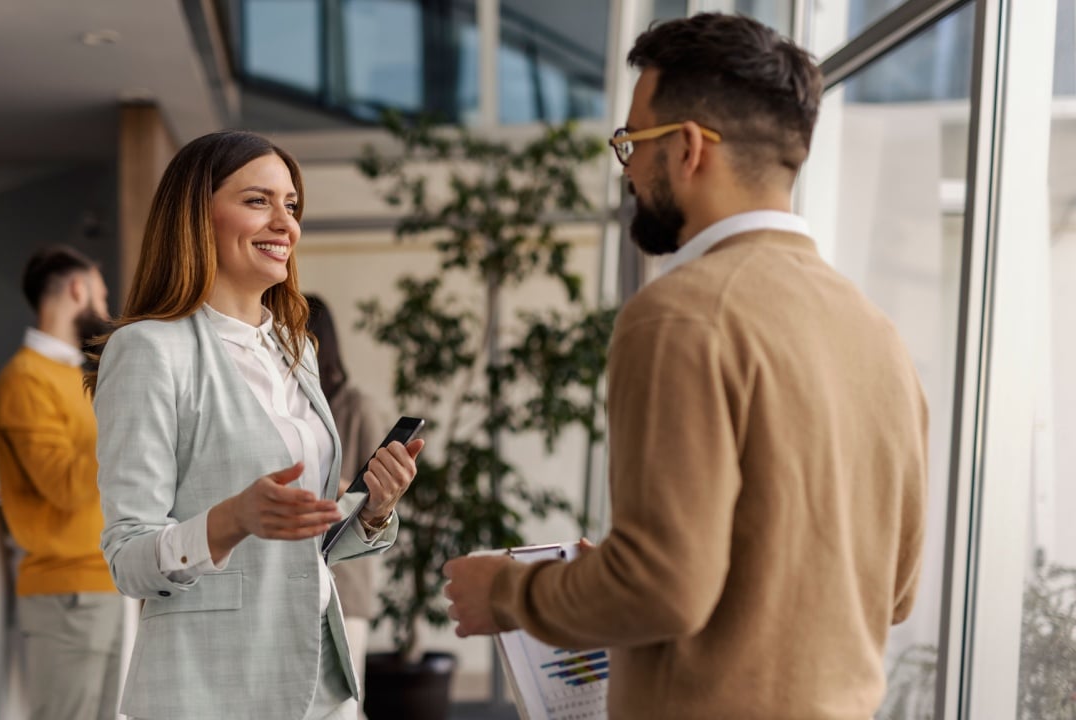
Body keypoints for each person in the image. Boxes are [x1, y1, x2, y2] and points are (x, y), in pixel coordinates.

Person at [442, 13, 929, 720]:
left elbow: (662, 587)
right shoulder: (876, 332)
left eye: (632, 143)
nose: (630, 169)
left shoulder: (680, 314)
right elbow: (893, 591)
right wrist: (608, 571)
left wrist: (508, 592)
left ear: (690, 149)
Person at [87, 130, 424, 720]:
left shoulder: (297, 350)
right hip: (210, 690)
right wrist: (228, 521)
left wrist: (372, 510)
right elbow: (129, 559)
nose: (284, 224)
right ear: (197, 216)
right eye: (257, 200)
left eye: (291, 205)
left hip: (320, 684)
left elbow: (299, 549)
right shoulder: (148, 350)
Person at [0, 245, 122, 720]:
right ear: (77, 289)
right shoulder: (26, 378)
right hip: (66, 591)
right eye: (103, 298)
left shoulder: (80, 376)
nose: (108, 313)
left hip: (101, 582)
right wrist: (124, 418)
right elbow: (64, 487)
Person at [306, 293, 385, 720]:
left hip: (345, 582)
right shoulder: (290, 406)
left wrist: (332, 489)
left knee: (343, 707)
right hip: (296, 582)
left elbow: (381, 502)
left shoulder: (358, 408)